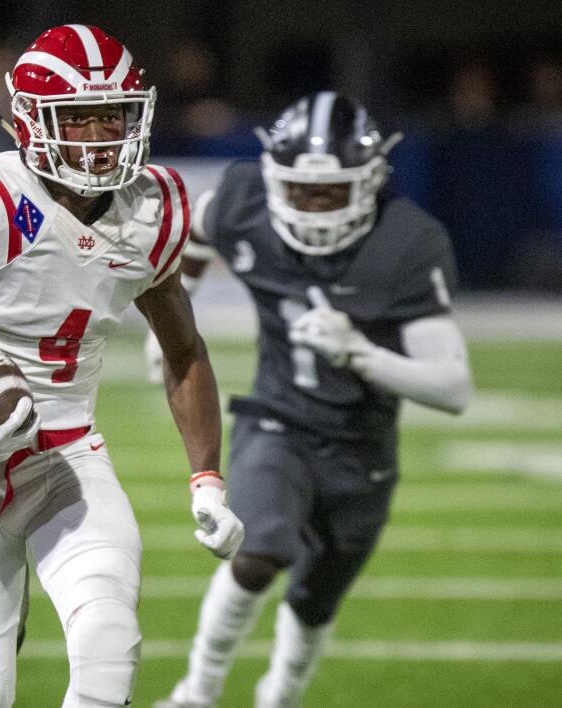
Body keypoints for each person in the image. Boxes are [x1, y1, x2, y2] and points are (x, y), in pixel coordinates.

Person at [0, 24, 245, 707]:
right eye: (77, 117)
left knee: (110, 644)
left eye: (114, 114)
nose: (101, 134)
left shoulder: (152, 211)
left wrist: (207, 479)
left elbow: (184, 351)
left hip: (68, 459)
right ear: (29, 124)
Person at [151, 92, 473, 708]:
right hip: (278, 416)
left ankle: (280, 696)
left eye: (333, 191)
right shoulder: (244, 198)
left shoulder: (408, 239)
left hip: (362, 442)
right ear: (275, 178)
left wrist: (360, 354)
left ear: (372, 180)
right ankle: (197, 692)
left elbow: (454, 388)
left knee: (315, 600)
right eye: (301, 190)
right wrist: (171, 321)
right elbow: (193, 233)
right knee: (258, 553)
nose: (316, 206)